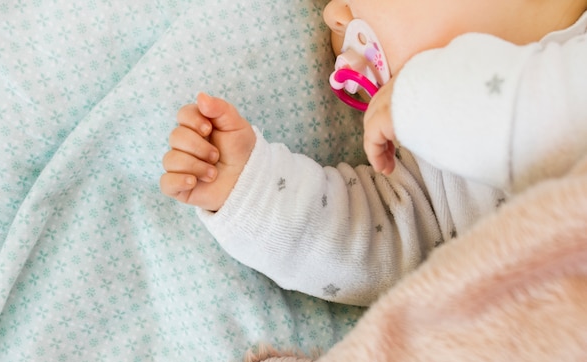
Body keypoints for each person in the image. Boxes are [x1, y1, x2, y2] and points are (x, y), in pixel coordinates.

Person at [160, 0, 587, 306]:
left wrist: (424, 97)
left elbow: (554, 112)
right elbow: (378, 243)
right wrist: (251, 190)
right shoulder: (427, 156)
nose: (333, 14)